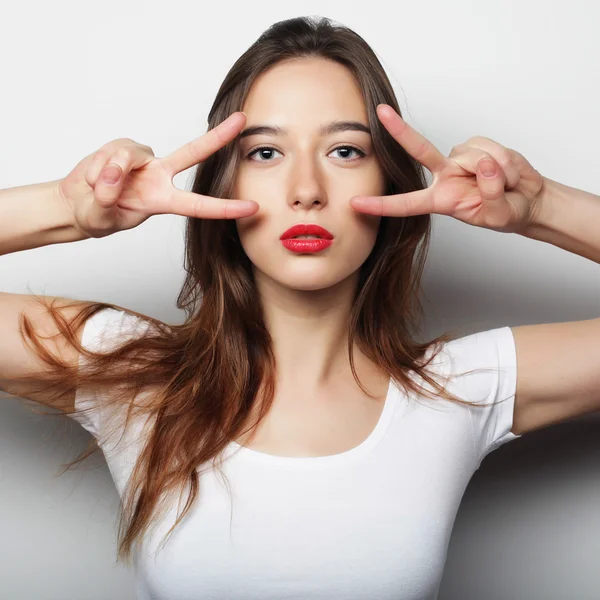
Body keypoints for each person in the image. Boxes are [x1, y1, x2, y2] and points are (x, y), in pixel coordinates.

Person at [1, 15, 599, 600]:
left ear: (391, 184)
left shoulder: (460, 388)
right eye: (265, 153)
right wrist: (66, 209)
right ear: (222, 183)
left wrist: (541, 206)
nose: (306, 189)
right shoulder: (133, 374)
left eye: (345, 151)